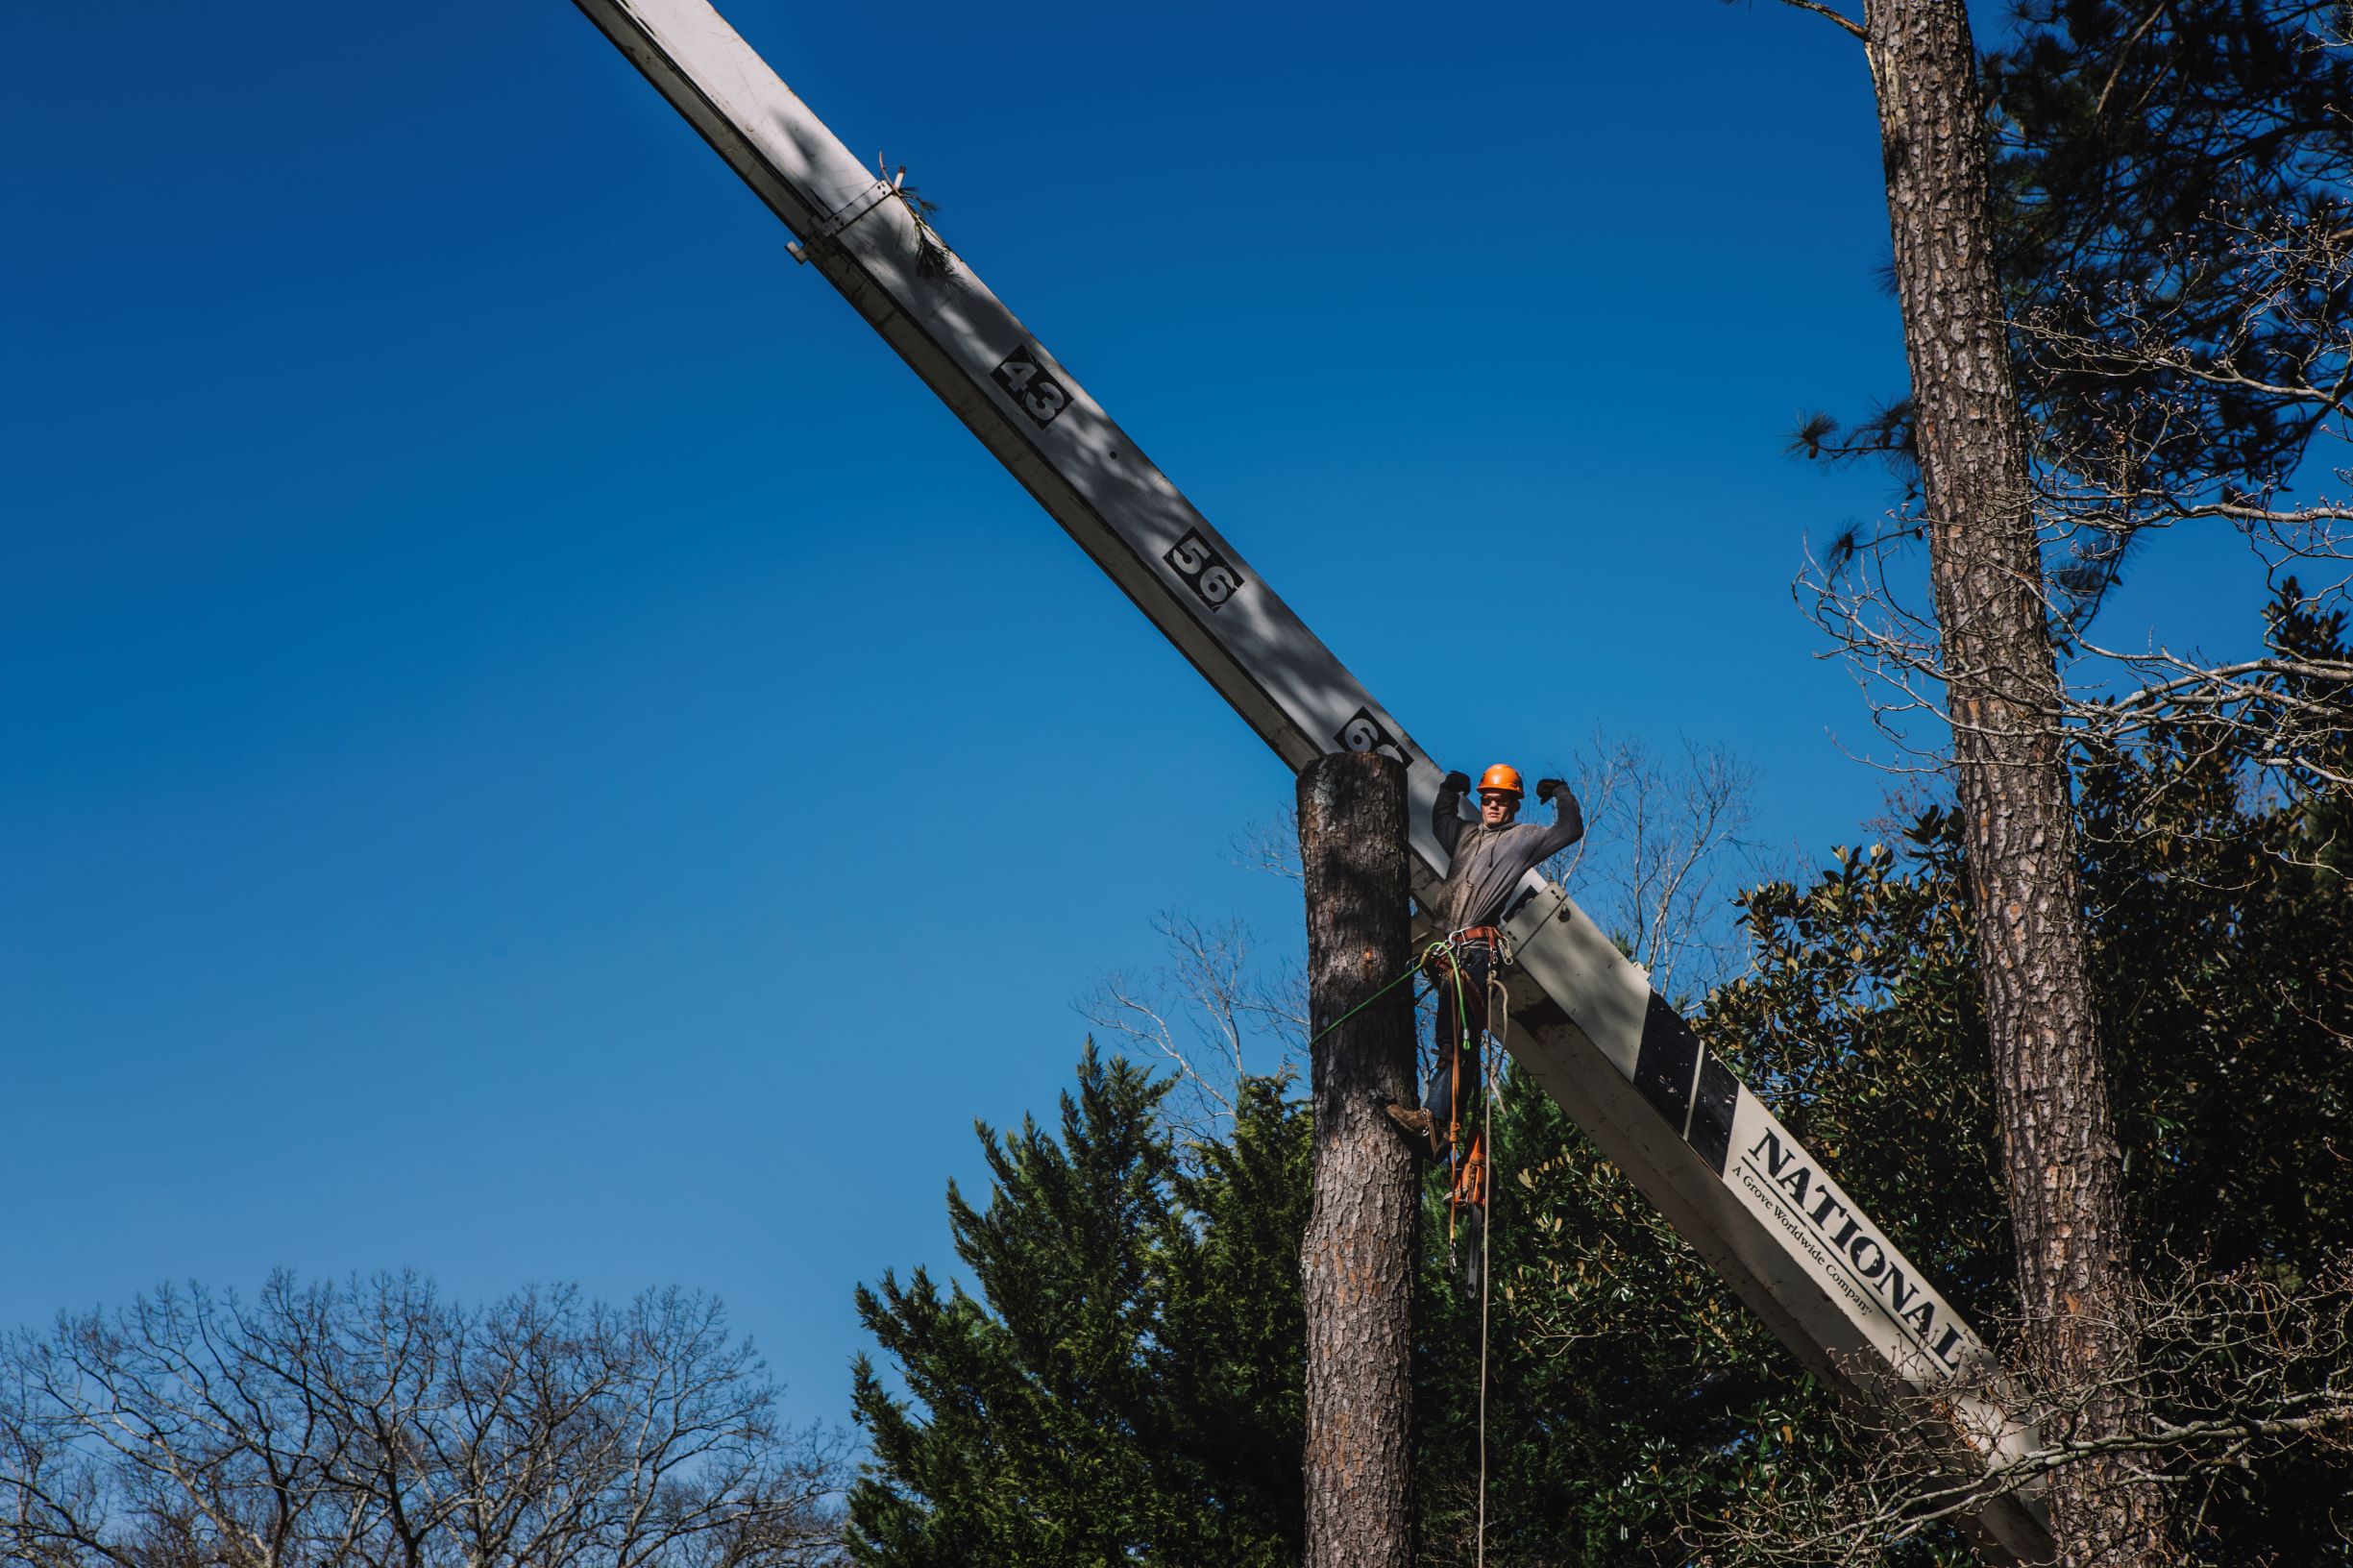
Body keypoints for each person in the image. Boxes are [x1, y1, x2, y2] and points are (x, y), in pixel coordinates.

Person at [1387, 763, 1582, 1158]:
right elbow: (1441, 818)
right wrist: (1449, 790)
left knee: (1454, 1039)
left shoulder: (1523, 839)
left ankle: (1435, 1122)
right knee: (1452, 1037)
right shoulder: (1464, 836)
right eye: (1488, 800)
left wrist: (1561, 793)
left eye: (1502, 801)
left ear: (1513, 805)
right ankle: (1441, 1125)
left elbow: (1569, 830)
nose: (1493, 806)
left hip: (1476, 951)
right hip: (1452, 949)